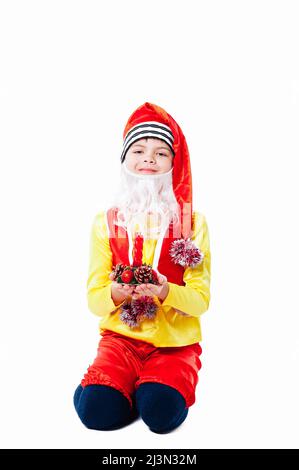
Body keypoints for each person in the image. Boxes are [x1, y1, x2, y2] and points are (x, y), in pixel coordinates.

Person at [73, 102, 211, 433]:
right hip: (121, 341)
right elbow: (94, 299)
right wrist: (116, 293)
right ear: (124, 160)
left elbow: (201, 300)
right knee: (95, 414)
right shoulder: (106, 223)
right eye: (138, 149)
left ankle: (148, 388)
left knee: (161, 415)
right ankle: (120, 386)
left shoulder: (191, 224)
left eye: (161, 153)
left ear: (174, 164)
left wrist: (166, 291)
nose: (149, 158)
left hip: (173, 344)